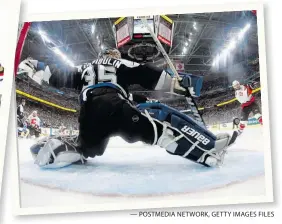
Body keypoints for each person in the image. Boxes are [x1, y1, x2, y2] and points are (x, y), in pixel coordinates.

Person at [30, 48, 238, 169]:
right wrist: (180, 85)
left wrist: (34, 66)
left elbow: (55, 76)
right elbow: (147, 75)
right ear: (113, 55)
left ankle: (57, 149)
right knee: (160, 124)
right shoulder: (119, 63)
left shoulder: (82, 68)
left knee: (88, 150)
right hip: (116, 107)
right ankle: (207, 149)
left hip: (90, 113)